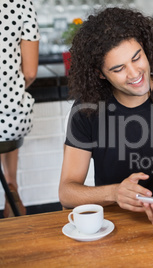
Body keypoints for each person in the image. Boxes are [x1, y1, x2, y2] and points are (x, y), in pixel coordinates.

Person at [59, 7, 153, 229]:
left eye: (137, 58)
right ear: (100, 74)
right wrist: (114, 193)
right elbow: (67, 192)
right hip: (111, 225)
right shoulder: (86, 109)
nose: (134, 73)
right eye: (118, 69)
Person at [0, 0, 40, 217]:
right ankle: (11, 186)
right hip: (11, 118)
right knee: (6, 124)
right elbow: (31, 72)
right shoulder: (21, 4)